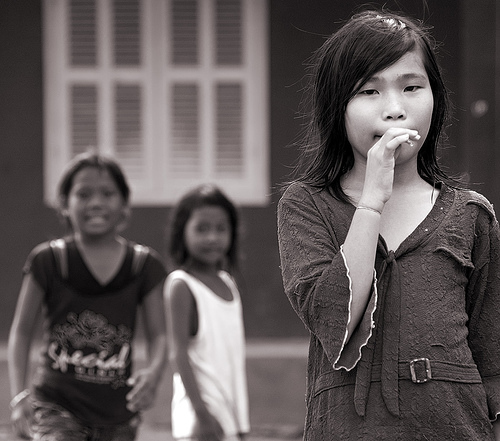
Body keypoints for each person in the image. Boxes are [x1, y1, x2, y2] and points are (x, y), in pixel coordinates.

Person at [277, 9, 500, 440]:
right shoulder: (307, 206)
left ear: (435, 98)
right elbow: (336, 320)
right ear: (337, 107)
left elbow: (493, 362)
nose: (395, 109)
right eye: (369, 91)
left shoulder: (471, 215)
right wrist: (371, 202)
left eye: (412, 87)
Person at [8, 151, 168, 440]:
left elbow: (159, 336)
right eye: (83, 194)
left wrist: (154, 373)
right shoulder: (48, 260)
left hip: (119, 416)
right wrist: (19, 396)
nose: (95, 203)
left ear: (124, 204)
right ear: (65, 204)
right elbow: (21, 332)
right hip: (55, 408)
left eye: (107, 193)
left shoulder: (144, 265)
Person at [164, 184, 249, 441]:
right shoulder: (182, 285)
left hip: (229, 416)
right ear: (182, 232)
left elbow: (232, 359)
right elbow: (178, 354)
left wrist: (240, 422)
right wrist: (202, 416)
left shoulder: (228, 283)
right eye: (201, 229)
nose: (212, 238)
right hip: (200, 420)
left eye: (221, 229)